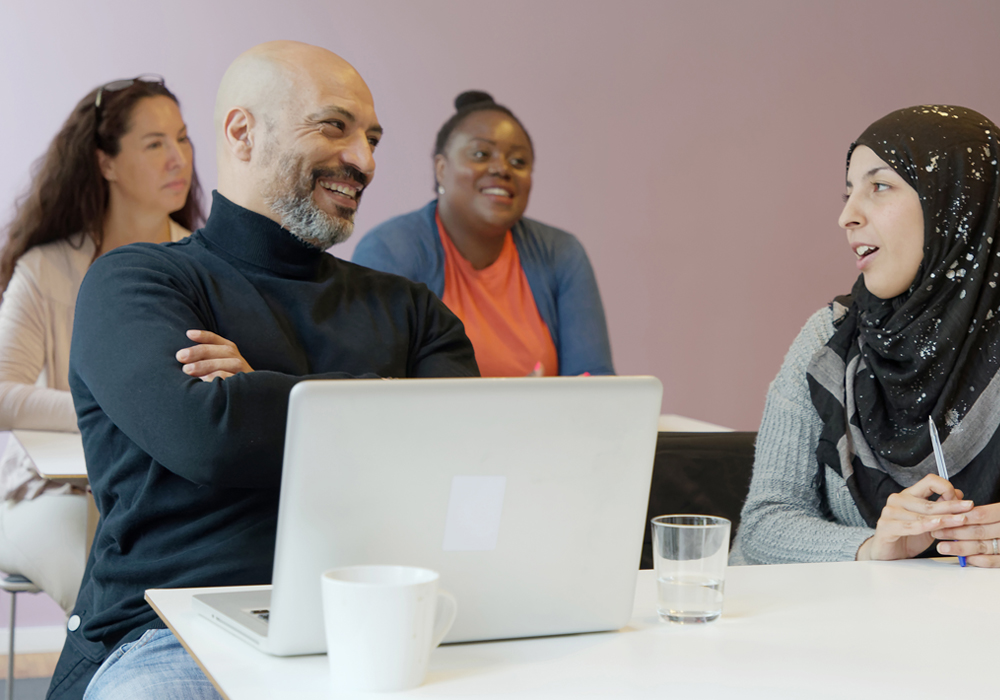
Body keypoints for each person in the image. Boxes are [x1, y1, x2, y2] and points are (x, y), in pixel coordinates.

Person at [45, 41, 478, 700]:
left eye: (372, 139)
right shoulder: (136, 283)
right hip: (175, 631)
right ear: (243, 133)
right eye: (335, 126)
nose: (363, 160)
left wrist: (264, 387)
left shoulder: (410, 309)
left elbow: (460, 454)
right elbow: (210, 439)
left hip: (383, 616)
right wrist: (388, 408)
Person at [732, 105, 1000, 568]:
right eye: (848, 193)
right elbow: (763, 526)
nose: (847, 216)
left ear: (956, 202)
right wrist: (871, 547)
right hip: (850, 635)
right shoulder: (831, 338)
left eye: (879, 186)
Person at [0, 77, 201, 614]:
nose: (178, 158)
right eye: (154, 144)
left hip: (169, 491)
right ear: (106, 162)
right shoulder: (45, 268)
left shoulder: (207, 263)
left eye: (182, 139)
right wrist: (108, 414)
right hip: (51, 493)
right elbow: (1, 394)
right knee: (107, 592)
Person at [353, 91, 614, 377]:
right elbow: (375, 386)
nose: (502, 168)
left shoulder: (561, 253)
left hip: (546, 423)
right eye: (481, 154)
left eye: (518, 162)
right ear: (441, 169)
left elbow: (594, 382)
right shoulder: (391, 250)